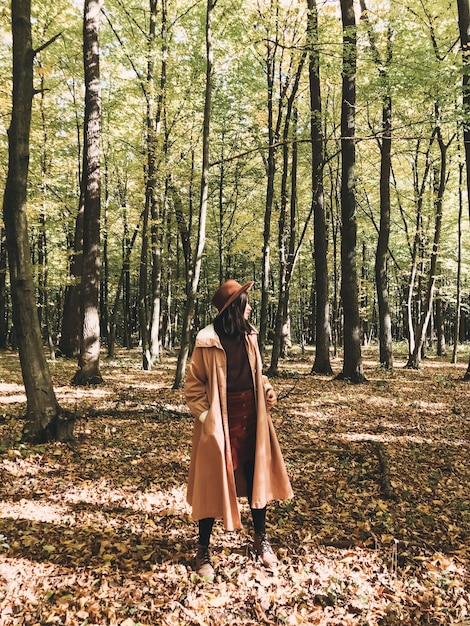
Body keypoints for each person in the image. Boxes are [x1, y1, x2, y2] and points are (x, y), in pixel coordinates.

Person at [184, 279, 293, 580]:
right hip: (219, 420)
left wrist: (267, 389)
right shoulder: (207, 340)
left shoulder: (250, 337)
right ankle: (203, 549)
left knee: (255, 474)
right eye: (247, 301)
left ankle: (261, 539)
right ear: (235, 307)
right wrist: (207, 418)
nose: (251, 306)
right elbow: (193, 388)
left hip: (252, 416)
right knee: (212, 483)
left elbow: (257, 373)